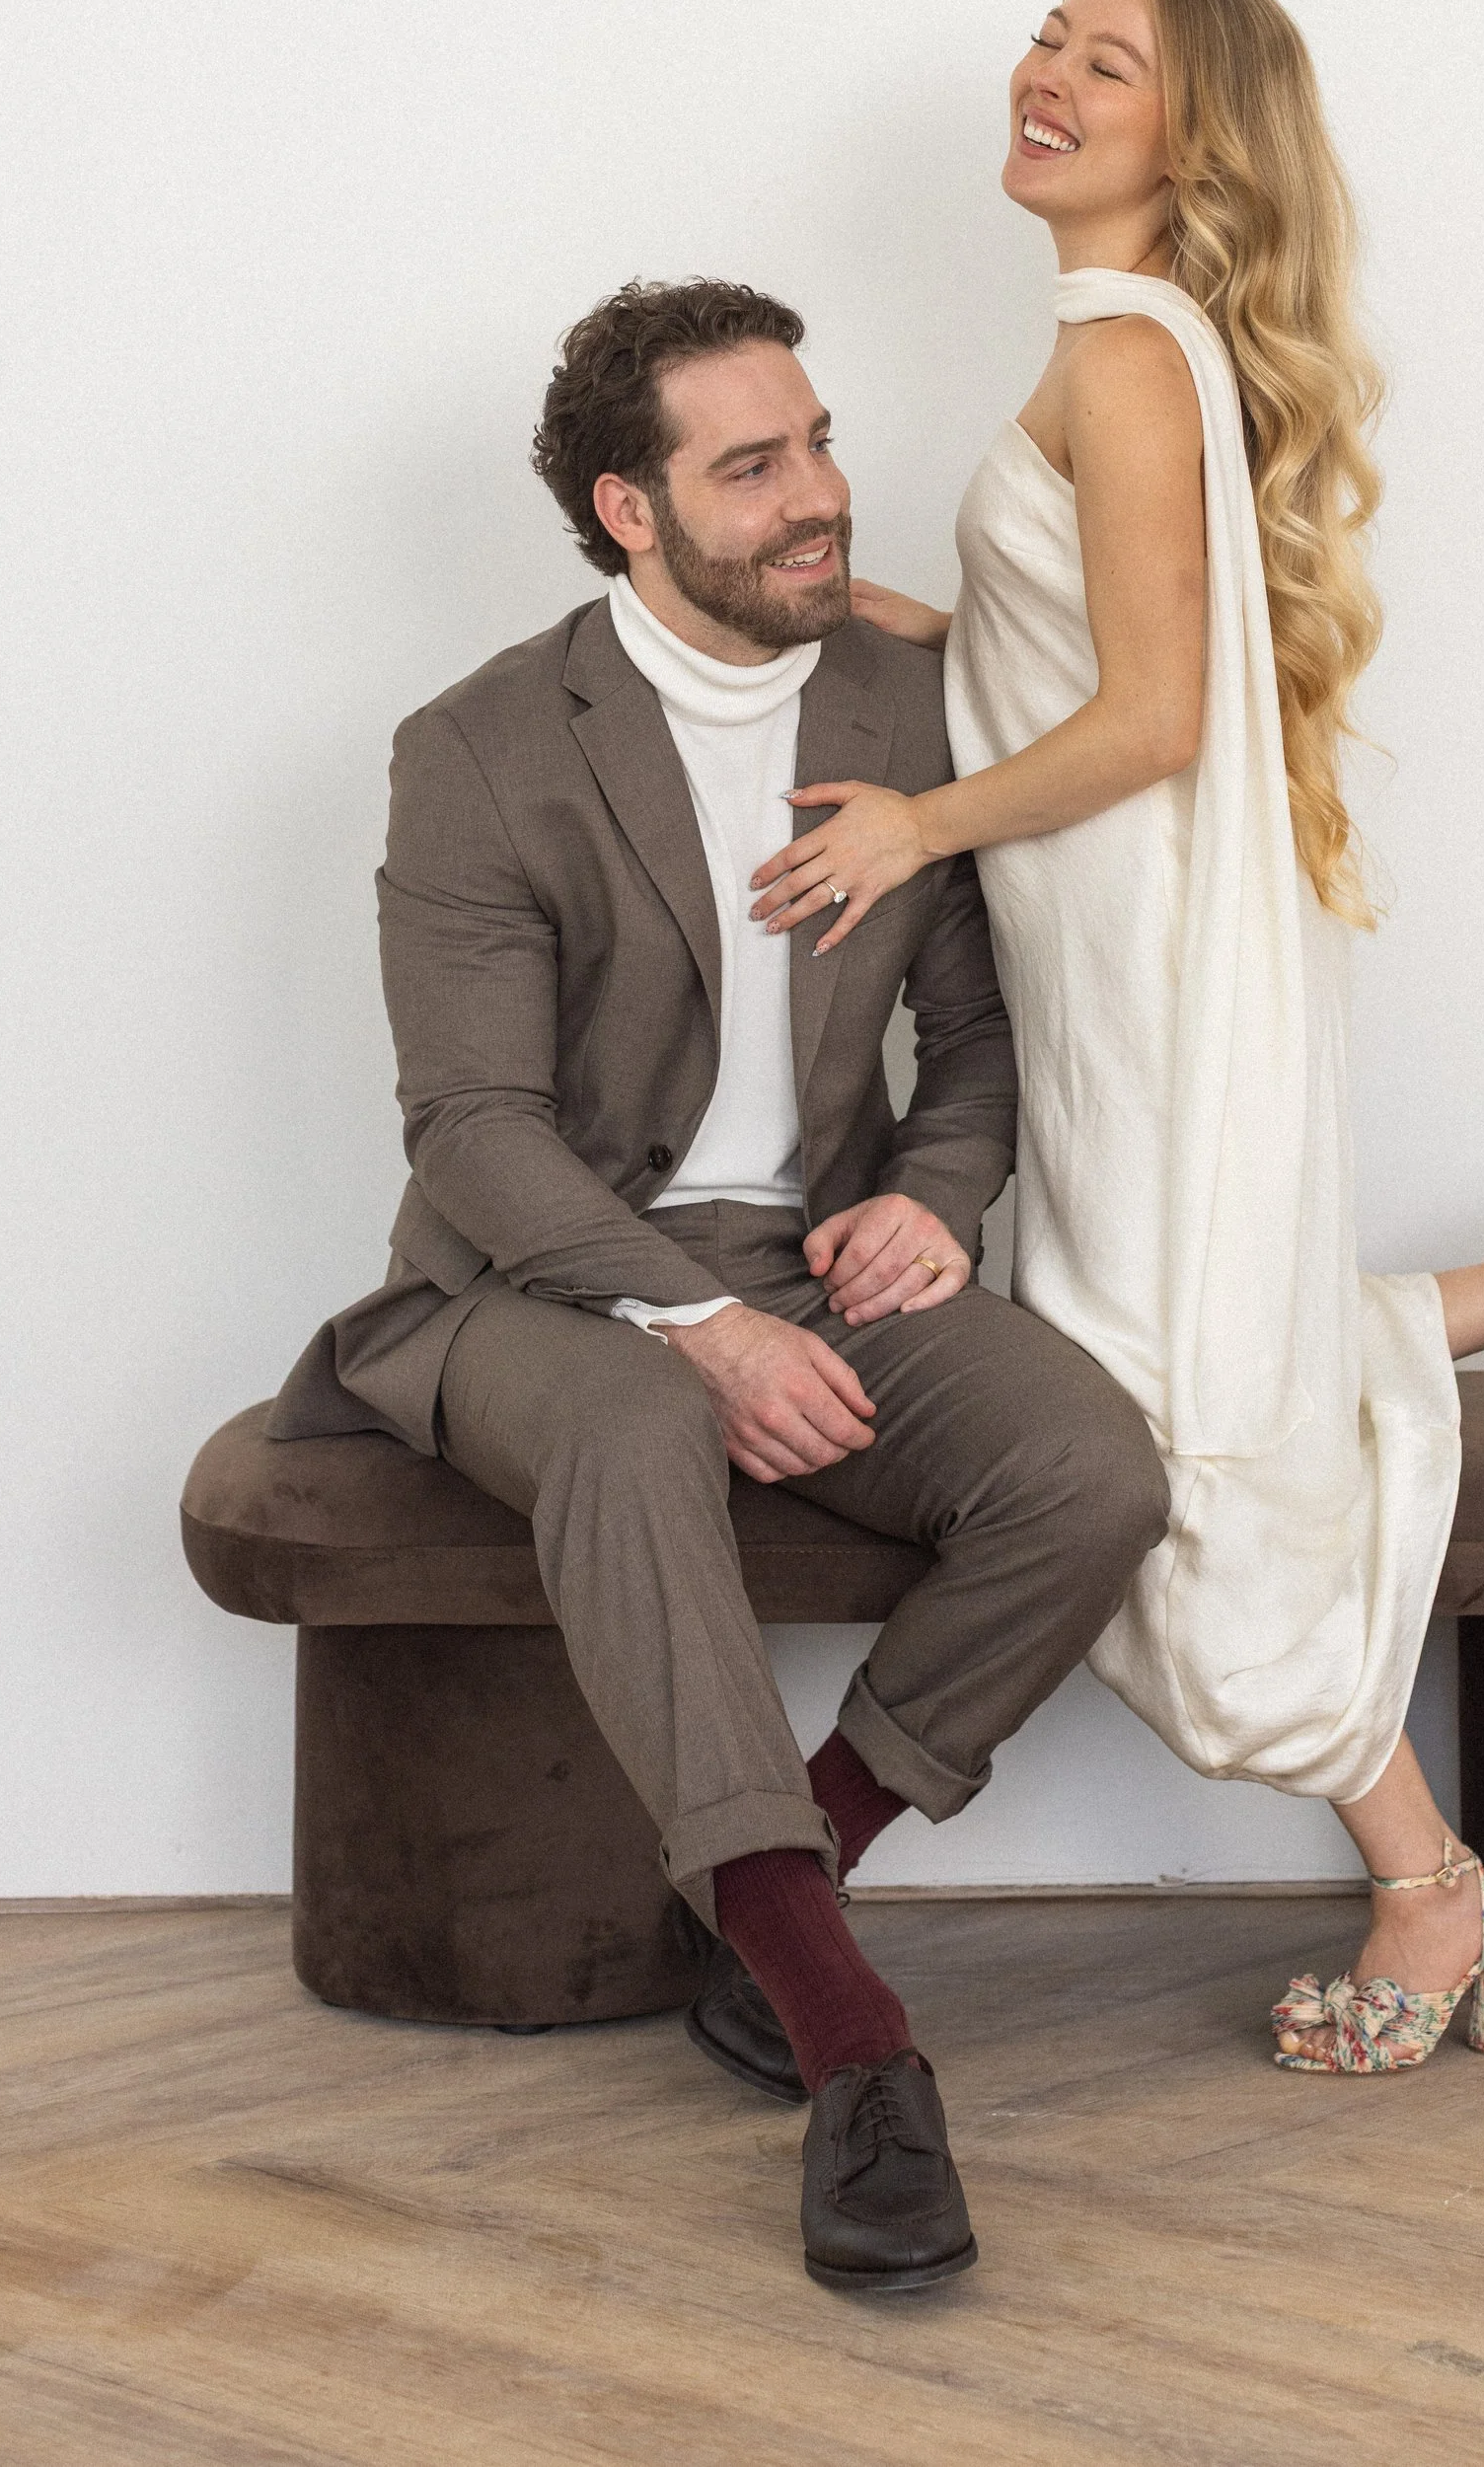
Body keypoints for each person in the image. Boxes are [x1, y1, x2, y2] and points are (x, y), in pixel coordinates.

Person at [750, 0, 1484, 2075]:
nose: (1044, 72)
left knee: (1171, 1441)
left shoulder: (1127, 357)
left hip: (1152, 966)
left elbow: (1148, 718)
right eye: (1047, 32)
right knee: (1189, 1362)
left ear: (1190, 135)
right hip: (1117, 951)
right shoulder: (1115, 338)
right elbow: (1075, 643)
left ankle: (1431, 1881)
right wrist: (867, 617)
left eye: (1103, 61)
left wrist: (915, 826)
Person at [268, 276, 1167, 2287]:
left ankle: (781, 1903)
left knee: (1088, 1470)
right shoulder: (480, 747)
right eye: (751, 466)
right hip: (530, 1286)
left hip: (823, 1255)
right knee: (630, 1431)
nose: (816, 494)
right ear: (631, 508)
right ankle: (857, 2049)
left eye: (818, 442)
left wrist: (937, 1196)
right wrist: (701, 1321)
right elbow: (472, 1128)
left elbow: (978, 1036)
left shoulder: (903, 708)